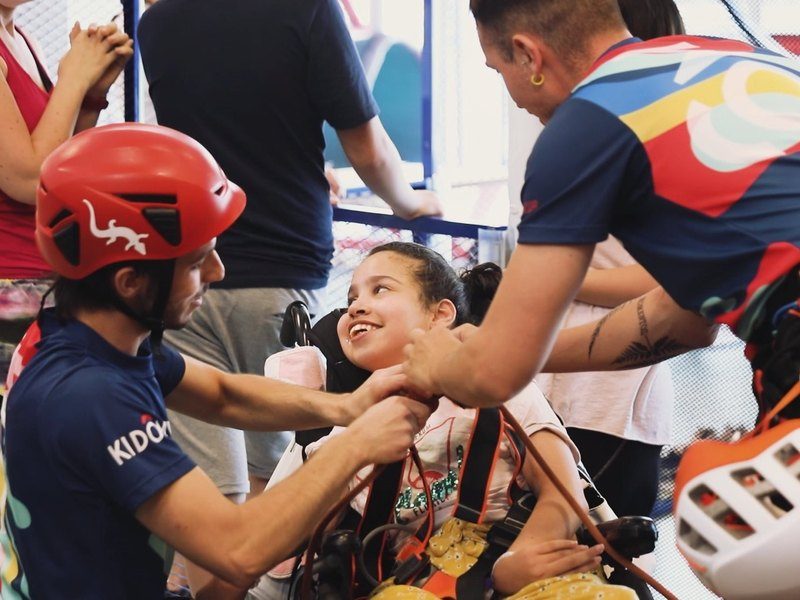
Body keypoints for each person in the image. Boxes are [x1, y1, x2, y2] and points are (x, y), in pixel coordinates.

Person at [401, 1, 800, 595]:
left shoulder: (590, 122)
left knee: (728, 526)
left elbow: (490, 375)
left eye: (497, 70)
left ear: (530, 55)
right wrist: (511, 345)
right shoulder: (737, 63)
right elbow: (679, 321)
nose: (512, 96)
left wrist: (442, 361)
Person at [0, 123, 433, 599]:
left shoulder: (82, 331)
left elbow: (223, 395)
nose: (217, 271)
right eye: (195, 261)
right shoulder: (91, 394)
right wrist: (356, 445)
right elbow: (236, 550)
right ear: (130, 282)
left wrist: (346, 407)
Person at [137, 0, 442, 519]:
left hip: (185, 268)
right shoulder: (305, 10)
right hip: (279, 263)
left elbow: (220, 125)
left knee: (210, 484)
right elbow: (367, 148)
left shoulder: (157, 21)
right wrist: (410, 204)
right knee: (280, 472)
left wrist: (307, 162)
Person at [251, 242, 637, 600]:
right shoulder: (348, 429)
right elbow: (289, 534)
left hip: (520, 570)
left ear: (440, 315)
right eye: (351, 297)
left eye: (379, 290)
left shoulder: (500, 389)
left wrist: (512, 565)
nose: (355, 306)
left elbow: (564, 492)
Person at [534, 0, 686, 519]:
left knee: (608, 552)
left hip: (614, 400)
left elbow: (670, 282)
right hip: (560, 390)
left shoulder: (658, 135)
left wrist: (560, 282)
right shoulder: (582, 132)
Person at [0, 0, 133, 385]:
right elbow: (27, 179)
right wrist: (74, 77)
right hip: (10, 287)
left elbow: (64, 165)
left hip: (49, 279)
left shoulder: (22, 37)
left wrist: (92, 90)